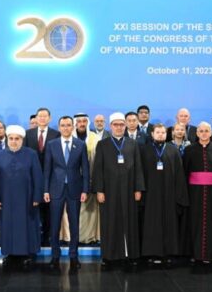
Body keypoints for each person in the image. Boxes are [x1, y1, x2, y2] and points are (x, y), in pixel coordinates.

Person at [92, 112, 145, 267]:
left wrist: (138, 188)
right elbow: (98, 169)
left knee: (130, 221)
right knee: (110, 221)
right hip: (109, 190)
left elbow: (138, 167)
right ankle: (109, 256)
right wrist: (99, 190)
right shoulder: (103, 144)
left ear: (126, 126)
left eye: (122, 124)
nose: (119, 127)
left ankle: (130, 255)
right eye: (116, 125)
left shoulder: (132, 144)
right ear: (111, 126)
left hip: (129, 189)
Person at [0, 125, 44, 267]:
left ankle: (26, 253)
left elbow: (38, 177)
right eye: (11, 138)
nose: (14, 141)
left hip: (27, 198)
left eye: (17, 139)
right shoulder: (1, 155)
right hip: (7, 198)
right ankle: (10, 253)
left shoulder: (31, 154)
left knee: (26, 225)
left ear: (22, 140)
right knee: (8, 225)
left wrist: (37, 197)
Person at [43, 116, 89, 268]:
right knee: (54, 225)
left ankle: (74, 256)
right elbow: (47, 169)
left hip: (75, 190)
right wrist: (45, 190)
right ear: (59, 127)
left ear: (73, 126)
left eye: (69, 125)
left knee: (74, 225)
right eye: (63, 125)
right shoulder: (51, 144)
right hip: (55, 190)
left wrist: (85, 190)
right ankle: (55, 256)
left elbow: (86, 170)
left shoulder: (80, 145)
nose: (66, 128)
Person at [139, 124, 188, 266]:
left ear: (167, 134)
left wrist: (180, 196)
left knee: (169, 223)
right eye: (158, 132)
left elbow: (179, 174)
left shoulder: (173, 150)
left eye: (163, 132)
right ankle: (150, 253)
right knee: (150, 224)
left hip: (169, 195)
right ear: (152, 134)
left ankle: (168, 253)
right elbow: (140, 173)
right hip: (150, 195)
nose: (160, 135)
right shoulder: (145, 150)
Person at [181, 122, 212, 264]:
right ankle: (196, 254)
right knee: (195, 222)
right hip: (194, 192)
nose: (204, 133)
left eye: (207, 131)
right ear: (197, 133)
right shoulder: (189, 149)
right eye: (201, 131)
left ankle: (211, 254)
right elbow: (185, 171)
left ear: (211, 133)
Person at [25, 107, 61, 247]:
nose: (42, 118)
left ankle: (47, 238)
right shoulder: (28, 134)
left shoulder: (56, 134)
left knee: (48, 211)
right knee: (32, 209)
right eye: (40, 116)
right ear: (36, 118)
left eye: (45, 116)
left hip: (51, 178)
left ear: (49, 118)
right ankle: (33, 238)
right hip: (32, 178)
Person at [73, 112, 101, 244]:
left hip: (90, 179)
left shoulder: (95, 138)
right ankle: (71, 237)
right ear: (75, 123)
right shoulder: (68, 137)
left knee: (89, 211)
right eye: (79, 121)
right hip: (71, 181)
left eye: (84, 121)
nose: (82, 124)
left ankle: (88, 237)